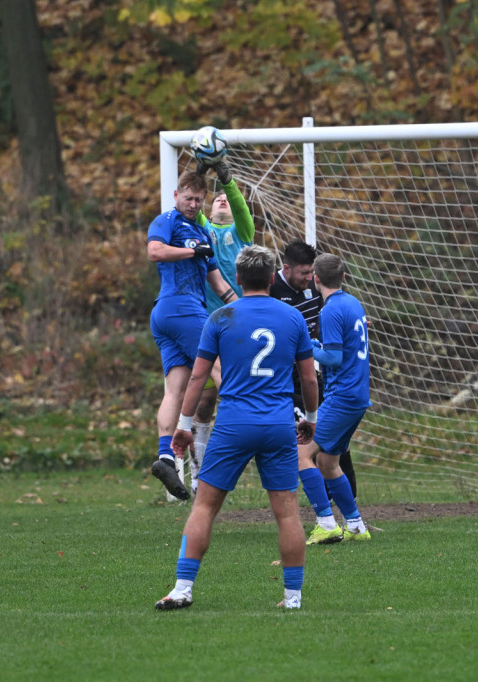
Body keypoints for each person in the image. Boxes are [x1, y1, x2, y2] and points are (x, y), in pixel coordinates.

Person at [154, 245, 319, 610]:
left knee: (205, 507)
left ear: (239, 279)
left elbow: (198, 377)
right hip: (278, 425)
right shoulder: (292, 318)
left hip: (233, 424)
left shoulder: (221, 317)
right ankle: (292, 597)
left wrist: (183, 425)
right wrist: (310, 419)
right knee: (288, 513)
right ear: (273, 276)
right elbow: (308, 378)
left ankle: (183, 588)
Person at [147, 169, 238, 501]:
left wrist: (247, 310)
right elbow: (155, 252)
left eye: (199, 199)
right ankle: (240, 429)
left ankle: (166, 456)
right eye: (189, 197)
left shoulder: (203, 231)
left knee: (177, 388)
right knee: (220, 365)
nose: (193, 203)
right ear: (177, 195)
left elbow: (219, 284)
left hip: (172, 314)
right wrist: (192, 252)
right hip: (180, 307)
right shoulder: (166, 220)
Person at [270, 239, 358, 498]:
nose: (309, 278)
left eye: (312, 273)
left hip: (312, 376)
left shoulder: (315, 290)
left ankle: (348, 512)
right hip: (285, 381)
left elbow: (324, 326)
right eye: (303, 273)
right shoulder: (270, 289)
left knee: (339, 446)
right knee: (303, 446)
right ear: (286, 268)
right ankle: (325, 511)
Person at [187, 162, 256, 495]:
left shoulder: (243, 233)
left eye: (225, 199)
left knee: (237, 392)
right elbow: (192, 203)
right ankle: (196, 474)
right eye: (215, 199)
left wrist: (227, 178)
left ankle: (247, 452)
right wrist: (201, 171)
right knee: (205, 402)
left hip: (241, 325)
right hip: (208, 325)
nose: (222, 201)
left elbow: (238, 204)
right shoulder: (202, 231)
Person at [296, 253, 372, 545]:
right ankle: (355, 525)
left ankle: (326, 523)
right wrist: (318, 346)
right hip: (358, 396)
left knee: (300, 454)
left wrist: (306, 348)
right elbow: (341, 349)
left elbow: (334, 357)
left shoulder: (329, 311)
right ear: (344, 277)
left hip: (342, 396)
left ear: (316, 280)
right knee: (328, 461)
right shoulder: (352, 303)